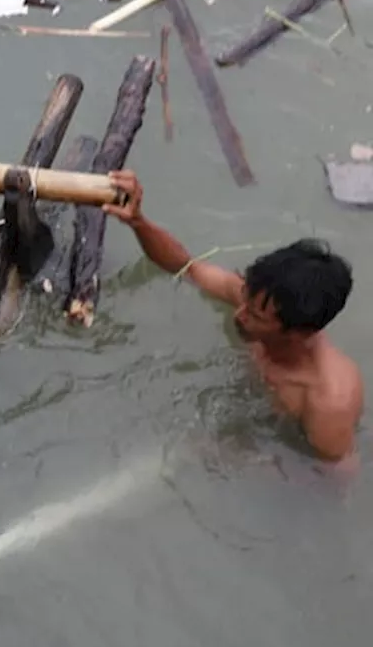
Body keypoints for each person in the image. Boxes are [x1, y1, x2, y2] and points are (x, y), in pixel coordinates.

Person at [104, 170, 362, 466]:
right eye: (245, 301)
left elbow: (333, 482)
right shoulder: (261, 300)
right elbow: (188, 268)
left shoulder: (328, 403)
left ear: (299, 333)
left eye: (254, 316)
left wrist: (248, 457)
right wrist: (137, 221)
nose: (239, 315)